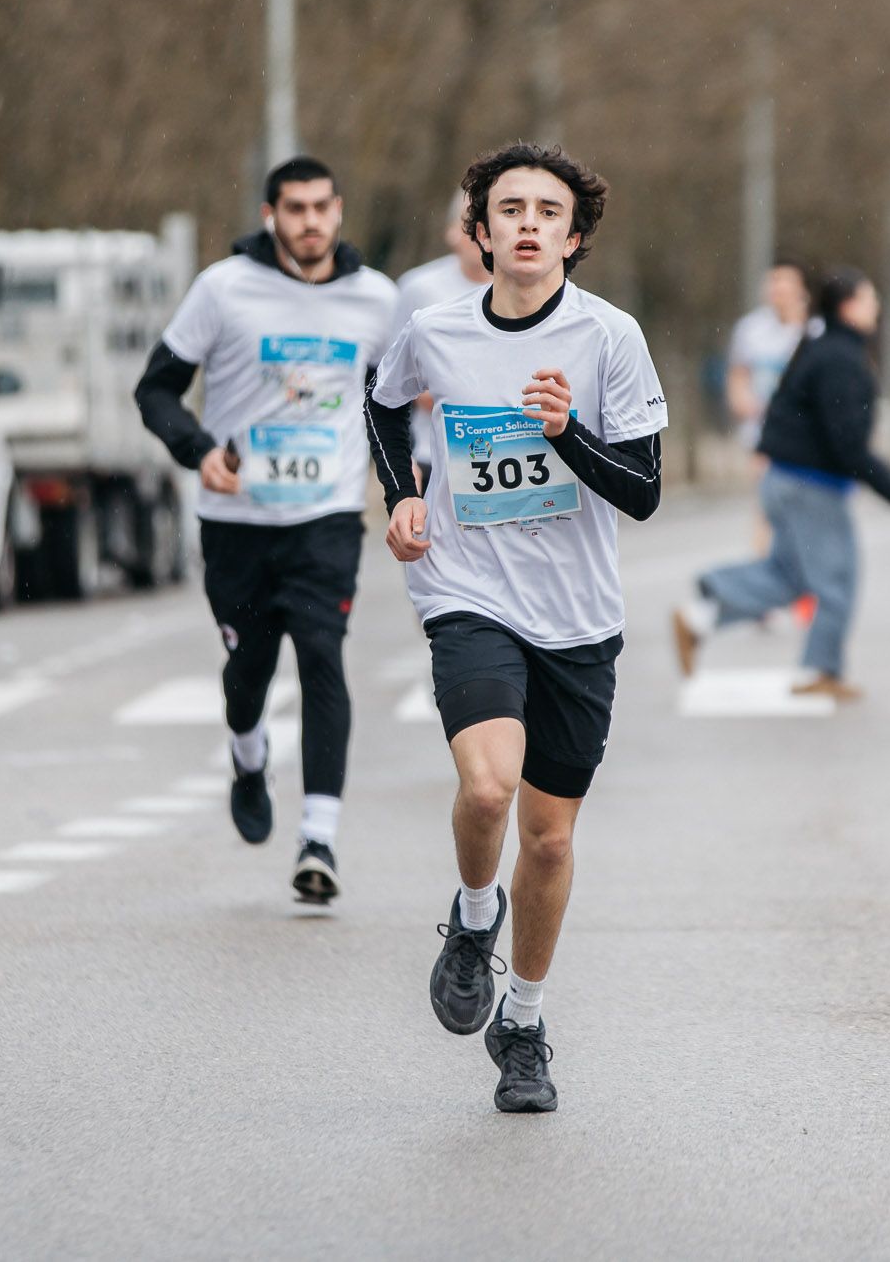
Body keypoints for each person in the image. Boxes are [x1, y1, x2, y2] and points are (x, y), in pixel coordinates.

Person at [366, 143, 667, 1113]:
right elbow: (383, 405)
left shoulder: (608, 336)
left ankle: (523, 1022)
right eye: (509, 208)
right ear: (481, 231)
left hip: (576, 614)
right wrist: (403, 495)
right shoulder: (434, 329)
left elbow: (644, 490)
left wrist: (566, 434)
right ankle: (470, 917)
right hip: (467, 590)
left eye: (547, 211)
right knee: (489, 786)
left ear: (572, 239)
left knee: (547, 841)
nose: (528, 223)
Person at [135, 156, 397, 905]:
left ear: (339, 211)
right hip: (237, 523)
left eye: (322, 207)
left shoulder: (377, 300)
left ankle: (319, 837)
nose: (310, 222)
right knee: (248, 670)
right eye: (295, 208)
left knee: (322, 655)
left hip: (326, 518)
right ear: (270, 215)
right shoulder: (223, 288)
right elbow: (155, 389)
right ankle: (248, 757)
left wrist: (405, 489)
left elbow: (391, 406)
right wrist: (199, 452)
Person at [673, 269, 890, 700]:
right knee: (836, 578)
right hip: (811, 485)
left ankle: (700, 615)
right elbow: (845, 441)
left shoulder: (819, 346)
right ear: (848, 306)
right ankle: (822, 671)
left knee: (788, 575)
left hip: (785, 477)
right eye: (870, 298)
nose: (876, 307)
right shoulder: (841, 358)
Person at [391, 191, 491, 489]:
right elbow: (393, 377)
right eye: (469, 223)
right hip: (431, 455)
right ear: (450, 230)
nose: (478, 234)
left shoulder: (527, 291)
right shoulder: (418, 288)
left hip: (508, 453)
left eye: (488, 223)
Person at [725, 260, 810, 455]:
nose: (778, 288)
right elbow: (737, 382)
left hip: (802, 438)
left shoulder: (814, 331)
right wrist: (758, 409)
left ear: (802, 290)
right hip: (759, 437)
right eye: (773, 281)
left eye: (785, 282)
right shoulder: (749, 329)